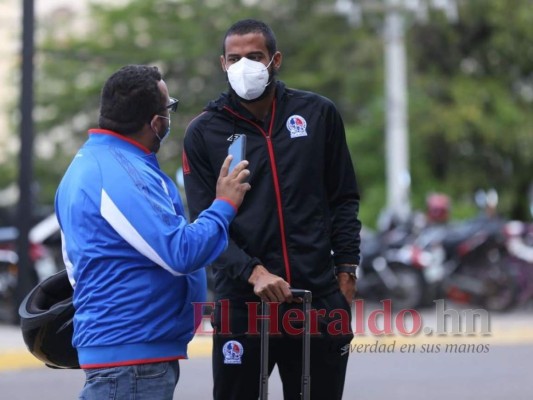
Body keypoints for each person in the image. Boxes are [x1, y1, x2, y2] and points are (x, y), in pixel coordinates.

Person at [183, 19, 361, 400]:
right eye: (235, 58)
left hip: (316, 299)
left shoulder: (317, 114)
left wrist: (346, 272)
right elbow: (204, 224)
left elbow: (343, 198)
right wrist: (253, 272)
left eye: (254, 56)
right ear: (222, 64)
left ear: (274, 60)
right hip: (242, 304)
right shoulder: (204, 132)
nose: (244, 65)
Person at [55, 64, 250, 400]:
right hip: (130, 362)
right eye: (168, 108)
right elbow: (181, 252)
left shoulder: (97, 161)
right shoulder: (119, 172)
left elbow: (75, 268)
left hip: (129, 356)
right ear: (156, 122)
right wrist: (223, 205)